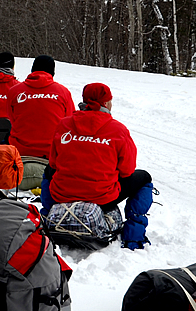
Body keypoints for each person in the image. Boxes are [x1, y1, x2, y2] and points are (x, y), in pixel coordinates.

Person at [42, 82, 153, 249]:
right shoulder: (118, 130)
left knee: (48, 171)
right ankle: (133, 236)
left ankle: (48, 217)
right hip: (102, 197)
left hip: (63, 194)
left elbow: (54, 162)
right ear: (107, 103)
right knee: (144, 178)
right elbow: (127, 170)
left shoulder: (64, 124)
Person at [7, 55, 74, 158]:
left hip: (20, 151)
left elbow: (12, 118)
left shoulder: (14, 91)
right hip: (52, 152)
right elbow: (69, 122)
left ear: (33, 69)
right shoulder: (63, 92)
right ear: (52, 72)